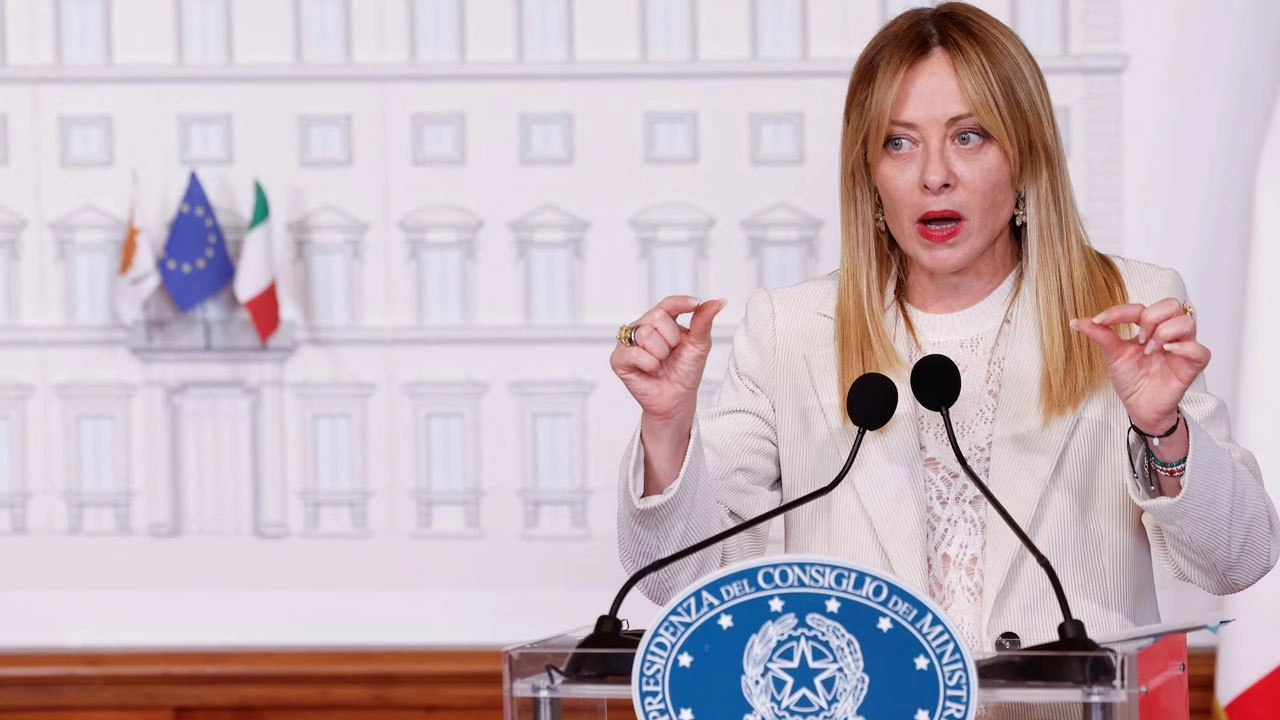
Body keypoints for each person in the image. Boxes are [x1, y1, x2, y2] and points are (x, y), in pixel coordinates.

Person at [609, 2, 1280, 658]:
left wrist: (1163, 432)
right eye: (899, 143)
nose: (934, 176)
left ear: (1025, 155)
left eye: (969, 136)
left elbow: (1238, 560)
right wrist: (667, 426)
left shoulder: (1126, 308)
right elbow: (679, 578)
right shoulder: (792, 331)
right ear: (870, 174)